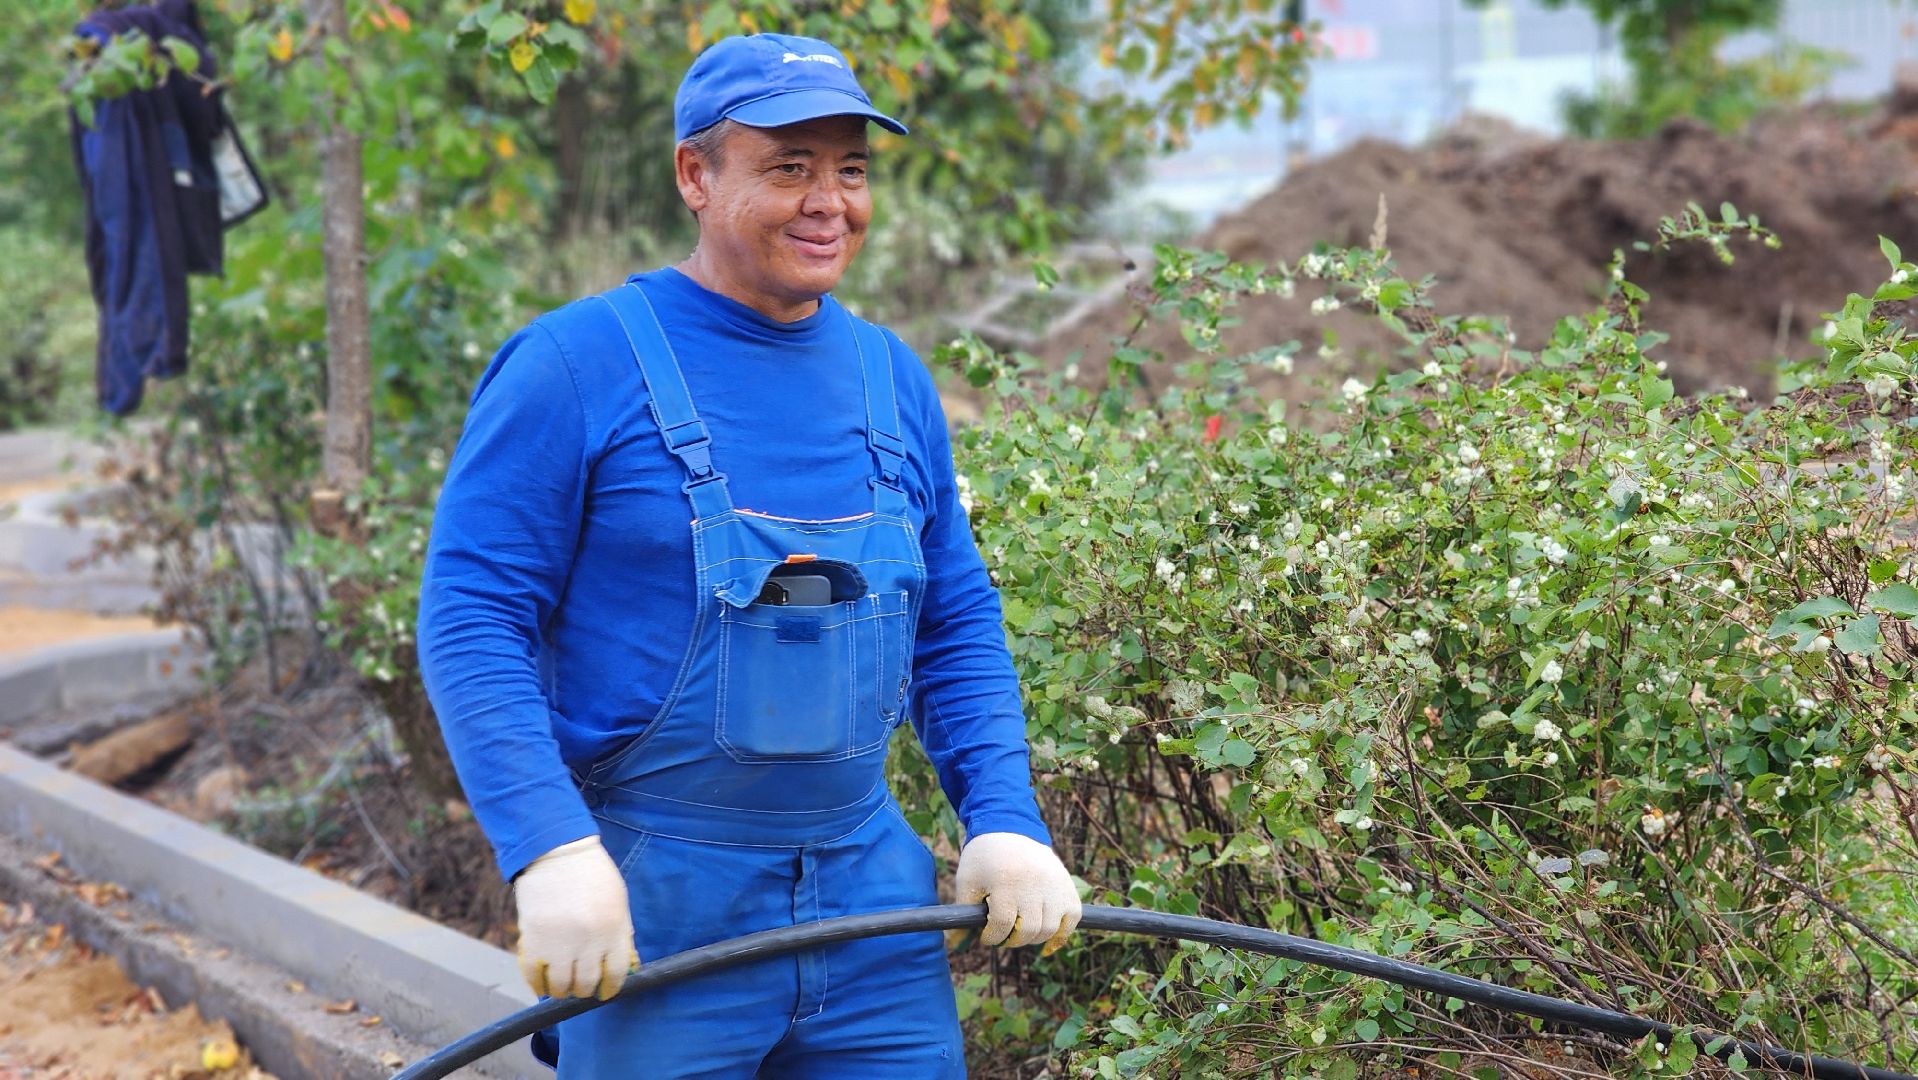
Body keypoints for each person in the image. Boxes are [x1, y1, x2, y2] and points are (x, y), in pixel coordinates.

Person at [416, 31, 1081, 1078]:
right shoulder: (573, 365)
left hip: (872, 912)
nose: (830, 201)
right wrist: (548, 846)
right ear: (694, 173)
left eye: (850, 170)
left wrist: (1003, 817)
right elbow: (471, 617)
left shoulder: (888, 378)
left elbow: (952, 623)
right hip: (659, 903)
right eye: (788, 168)